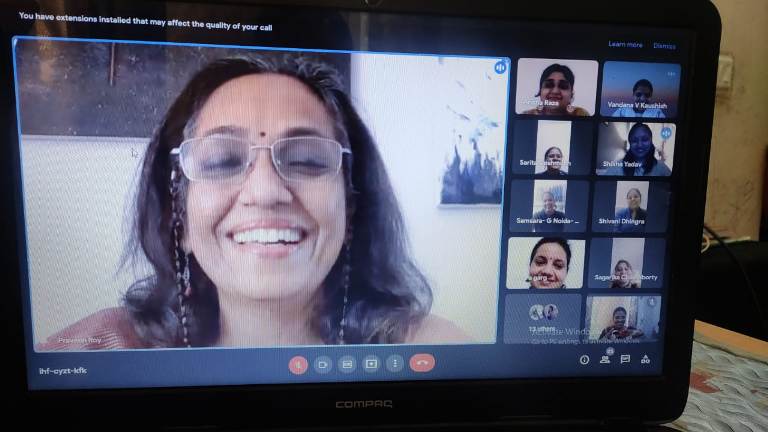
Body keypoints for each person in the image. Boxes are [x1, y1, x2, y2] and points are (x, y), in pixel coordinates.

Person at [36, 55, 470, 350]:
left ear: (351, 208)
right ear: (177, 219)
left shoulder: (432, 354)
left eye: (305, 160)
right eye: (222, 161)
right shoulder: (95, 350)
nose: (265, 192)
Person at [602, 123, 671, 176]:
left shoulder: (661, 167)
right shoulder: (617, 167)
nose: (639, 145)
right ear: (630, 143)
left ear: (651, 141)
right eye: (634, 140)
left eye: (644, 139)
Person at [523, 64, 590, 116]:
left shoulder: (581, 114)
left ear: (571, 94)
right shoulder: (526, 115)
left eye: (563, 86)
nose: (555, 91)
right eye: (548, 85)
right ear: (540, 92)